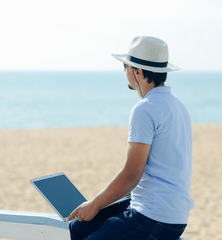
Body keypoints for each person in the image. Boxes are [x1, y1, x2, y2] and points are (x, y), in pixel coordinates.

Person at [67, 36, 195, 240]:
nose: (124, 70)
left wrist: (94, 204)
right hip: (174, 215)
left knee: (90, 219)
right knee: (78, 228)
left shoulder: (145, 109)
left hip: (153, 216)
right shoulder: (178, 106)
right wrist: (98, 204)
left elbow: (132, 174)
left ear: (139, 71)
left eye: (126, 65)